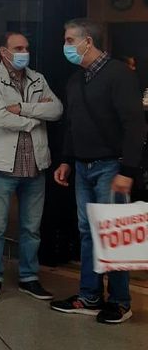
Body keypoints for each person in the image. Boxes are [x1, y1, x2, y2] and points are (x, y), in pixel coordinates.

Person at [51, 18, 146, 325]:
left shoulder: (119, 74)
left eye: (69, 40)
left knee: (114, 232)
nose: (65, 46)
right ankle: (90, 295)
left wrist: (128, 169)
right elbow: (72, 122)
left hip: (111, 165)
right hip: (82, 165)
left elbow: (135, 125)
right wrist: (66, 159)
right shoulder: (76, 80)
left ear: (87, 41)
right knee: (87, 233)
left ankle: (120, 301)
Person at [0, 32, 62, 301]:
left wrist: (21, 108)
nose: (24, 51)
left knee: (31, 228)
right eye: (18, 48)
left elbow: (57, 110)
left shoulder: (38, 79)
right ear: (4, 52)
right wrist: (33, 118)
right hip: (2, 167)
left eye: (26, 47)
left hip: (35, 166)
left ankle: (29, 277)